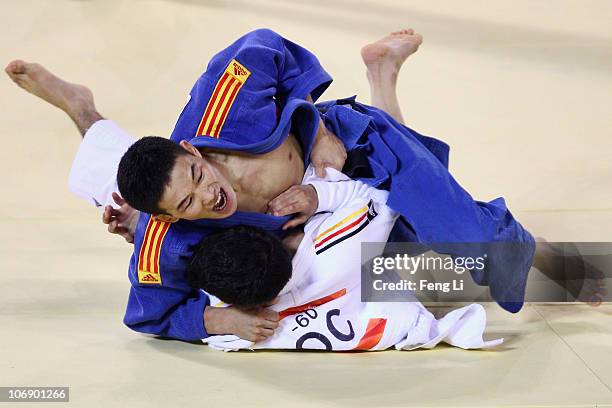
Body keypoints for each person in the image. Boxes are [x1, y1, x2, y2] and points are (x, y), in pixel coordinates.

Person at [5, 28, 538, 343]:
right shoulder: (168, 235)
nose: (210, 196)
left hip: (348, 150)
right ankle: (81, 106)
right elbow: (146, 312)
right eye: (189, 204)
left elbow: (264, 45)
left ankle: (557, 263)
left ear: (193, 150)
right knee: (425, 276)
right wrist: (218, 319)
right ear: (170, 220)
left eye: (199, 176)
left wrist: (317, 126)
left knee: (475, 248)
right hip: (323, 221)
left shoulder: (222, 108)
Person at [188, 166, 502, 351]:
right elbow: (385, 194)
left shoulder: (237, 326)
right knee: (395, 172)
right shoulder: (336, 248)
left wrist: (222, 321)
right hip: (398, 274)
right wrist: (318, 196)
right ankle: (384, 81)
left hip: (393, 300)